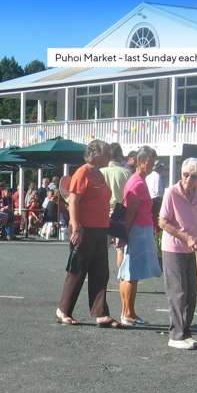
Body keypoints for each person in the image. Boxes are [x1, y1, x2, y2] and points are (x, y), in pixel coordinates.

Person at [56, 140, 121, 328]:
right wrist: (76, 226)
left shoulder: (99, 174)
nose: (109, 156)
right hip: (84, 229)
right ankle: (63, 310)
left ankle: (101, 314)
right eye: (106, 153)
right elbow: (73, 201)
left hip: (100, 229)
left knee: (101, 272)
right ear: (95, 154)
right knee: (77, 270)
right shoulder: (82, 172)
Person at [158, 157, 197, 350]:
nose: (188, 179)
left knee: (190, 292)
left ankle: (186, 332)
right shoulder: (171, 192)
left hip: (194, 247)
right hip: (174, 247)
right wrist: (184, 237)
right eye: (185, 174)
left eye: (193, 176)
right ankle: (176, 334)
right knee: (178, 291)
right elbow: (163, 222)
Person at [117, 146, 162, 326]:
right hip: (137, 230)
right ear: (142, 162)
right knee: (130, 273)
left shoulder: (138, 181)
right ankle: (127, 313)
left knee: (130, 273)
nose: (152, 165)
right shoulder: (136, 183)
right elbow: (130, 213)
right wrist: (124, 234)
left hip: (140, 229)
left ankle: (129, 311)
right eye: (150, 161)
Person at [101, 143, 131, 266]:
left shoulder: (100, 172)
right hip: (120, 213)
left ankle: (100, 278)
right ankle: (121, 277)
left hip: (103, 212)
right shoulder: (127, 173)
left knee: (102, 250)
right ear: (119, 155)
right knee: (120, 248)